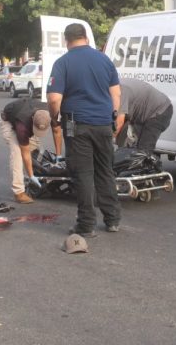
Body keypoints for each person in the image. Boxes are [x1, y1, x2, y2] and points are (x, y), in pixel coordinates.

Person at [47, 23, 121, 237]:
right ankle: (112, 219)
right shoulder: (104, 60)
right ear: (86, 37)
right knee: (105, 171)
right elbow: (116, 94)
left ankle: (86, 224)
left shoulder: (63, 63)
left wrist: (55, 117)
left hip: (76, 124)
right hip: (104, 123)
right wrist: (112, 117)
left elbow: (54, 99)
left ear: (66, 40)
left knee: (83, 174)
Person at [0, 97, 63, 203]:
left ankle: (30, 178)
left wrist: (58, 155)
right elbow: (25, 152)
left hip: (27, 114)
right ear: (33, 119)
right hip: (9, 120)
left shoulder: (52, 113)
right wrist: (31, 175)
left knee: (34, 149)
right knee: (18, 153)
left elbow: (57, 131)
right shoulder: (22, 127)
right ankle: (19, 192)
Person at [113, 78, 173, 155]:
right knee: (127, 149)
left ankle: (147, 160)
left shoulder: (121, 91)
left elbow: (119, 122)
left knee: (143, 150)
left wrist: (107, 139)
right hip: (140, 115)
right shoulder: (110, 89)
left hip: (159, 111)